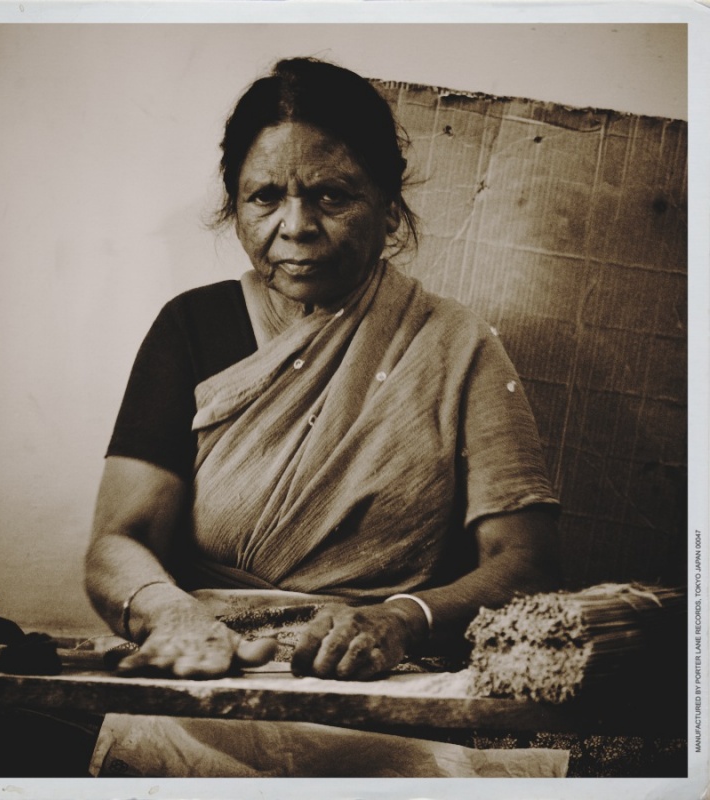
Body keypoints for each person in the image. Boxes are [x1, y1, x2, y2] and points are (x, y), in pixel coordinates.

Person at [83, 57, 563, 777]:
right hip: (209, 673)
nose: (296, 226)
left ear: (388, 205)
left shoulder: (456, 346)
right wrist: (172, 615)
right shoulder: (191, 327)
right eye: (265, 197)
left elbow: (525, 564)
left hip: (382, 686)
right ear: (235, 206)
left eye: (332, 196)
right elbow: (118, 541)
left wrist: (400, 620)